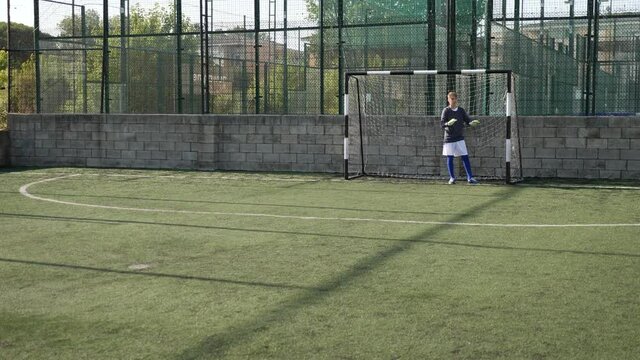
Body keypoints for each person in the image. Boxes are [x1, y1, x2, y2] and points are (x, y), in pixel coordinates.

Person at [440, 91, 480, 185]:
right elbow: (442, 124)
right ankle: (452, 178)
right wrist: (447, 124)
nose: (453, 100)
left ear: (457, 99)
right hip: (449, 138)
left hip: (459, 138)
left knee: (465, 157)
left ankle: (470, 178)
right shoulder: (446, 110)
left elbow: (467, 120)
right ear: (448, 100)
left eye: (454, 98)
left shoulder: (461, 110)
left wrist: (471, 123)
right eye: (451, 99)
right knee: (450, 157)